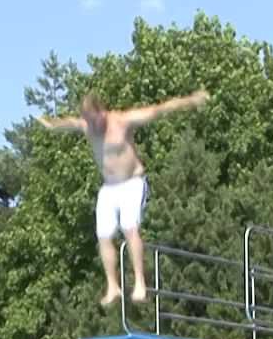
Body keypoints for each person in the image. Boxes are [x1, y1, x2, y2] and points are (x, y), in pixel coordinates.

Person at [38, 89, 210, 306]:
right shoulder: (87, 126)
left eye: (94, 120)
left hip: (132, 183)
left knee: (129, 226)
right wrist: (50, 124)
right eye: (88, 121)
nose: (92, 126)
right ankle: (113, 287)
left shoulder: (122, 121)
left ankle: (140, 283)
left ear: (102, 112)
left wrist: (191, 100)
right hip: (109, 188)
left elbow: (160, 109)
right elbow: (66, 124)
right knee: (103, 235)